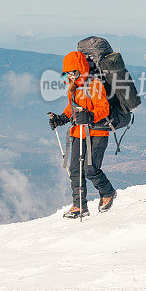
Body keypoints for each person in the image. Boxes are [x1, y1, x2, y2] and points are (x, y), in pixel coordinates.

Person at [48, 51, 116, 218]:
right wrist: (61, 119)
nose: (70, 76)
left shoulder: (94, 84)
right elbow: (72, 108)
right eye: (67, 73)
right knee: (74, 169)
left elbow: (103, 108)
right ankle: (79, 206)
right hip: (79, 132)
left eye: (73, 72)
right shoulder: (74, 88)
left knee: (90, 169)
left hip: (98, 131)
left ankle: (107, 192)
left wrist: (90, 115)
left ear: (80, 69)